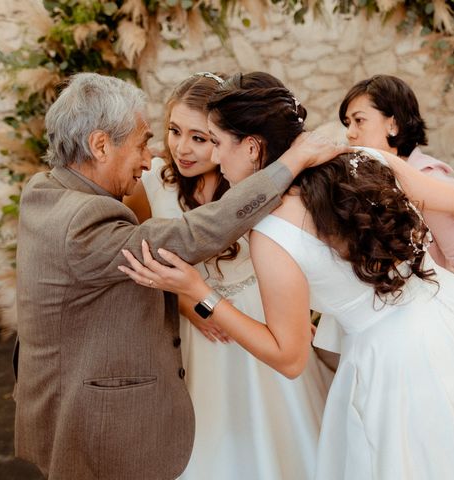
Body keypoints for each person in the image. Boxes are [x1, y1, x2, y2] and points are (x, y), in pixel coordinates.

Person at [120, 77, 454, 479]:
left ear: (253, 148)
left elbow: (290, 356)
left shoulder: (272, 234)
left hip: (393, 363)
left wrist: (198, 293)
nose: (213, 155)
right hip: (451, 319)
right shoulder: (364, 159)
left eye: (216, 142)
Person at [13, 72, 348, 479]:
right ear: (101, 145)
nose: (149, 156)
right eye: (143, 143)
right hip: (92, 412)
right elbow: (187, 237)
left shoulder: (44, 190)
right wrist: (291, 162)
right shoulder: (84, 218)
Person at [123, 72, 333, 480]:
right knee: (211, 434)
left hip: (258, 315)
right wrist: (189, 304)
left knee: (282, 431)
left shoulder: (251, 182)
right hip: (196, 333)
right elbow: (141, 265)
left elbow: (289, 254)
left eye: (200, 138)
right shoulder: (151, 186)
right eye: (174, 131)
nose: (182, 149)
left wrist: (297, 311)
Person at [339, 74, 454, 350]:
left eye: (359, 120)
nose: (350, 132)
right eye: (347, 123)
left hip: (432, 322)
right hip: (379, 326)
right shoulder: (363, 181)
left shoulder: (426, 177)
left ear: (393, 124)